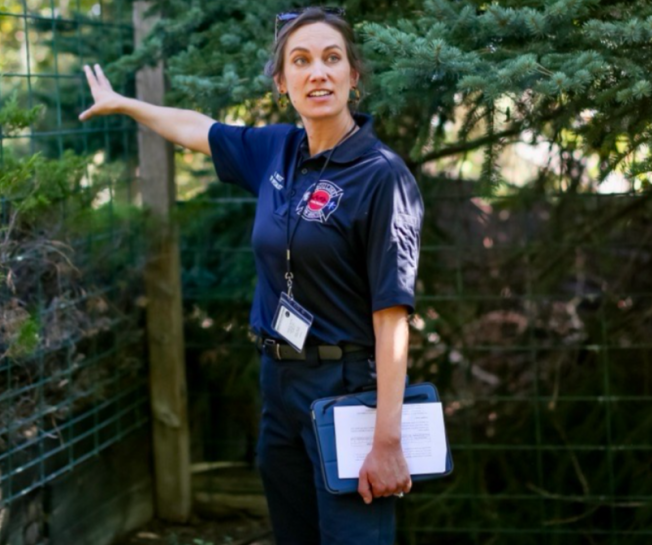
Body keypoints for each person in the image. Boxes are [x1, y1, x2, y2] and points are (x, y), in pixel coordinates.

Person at [80, 7, 423, 544]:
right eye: (301, 61)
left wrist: (386, 440)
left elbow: (393, 317)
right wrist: (127, 105)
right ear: (282, 82)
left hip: (347, 391)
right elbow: (200, 129)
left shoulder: (383, 177)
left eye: (333, 59)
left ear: (353, 77)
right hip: (279, 382)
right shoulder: (278, 150)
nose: (319, 73)